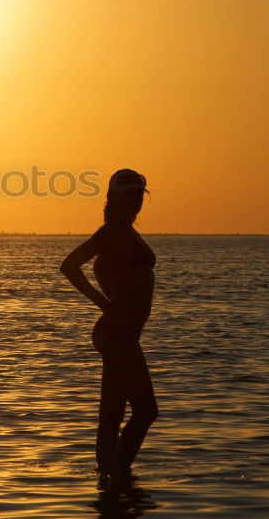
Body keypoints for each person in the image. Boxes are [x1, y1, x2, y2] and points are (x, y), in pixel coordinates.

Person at [60, 168, 158, 482]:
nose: (134, 202)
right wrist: (103, 303)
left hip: (123, 333)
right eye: (127, 195)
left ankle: (107, 484)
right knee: (145, 411)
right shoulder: (113, 232)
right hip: (117, 333)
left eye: (138, 196)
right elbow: (70, 265)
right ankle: (119, 477)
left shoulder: (126, 231)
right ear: (112, 199)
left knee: (113, 414)